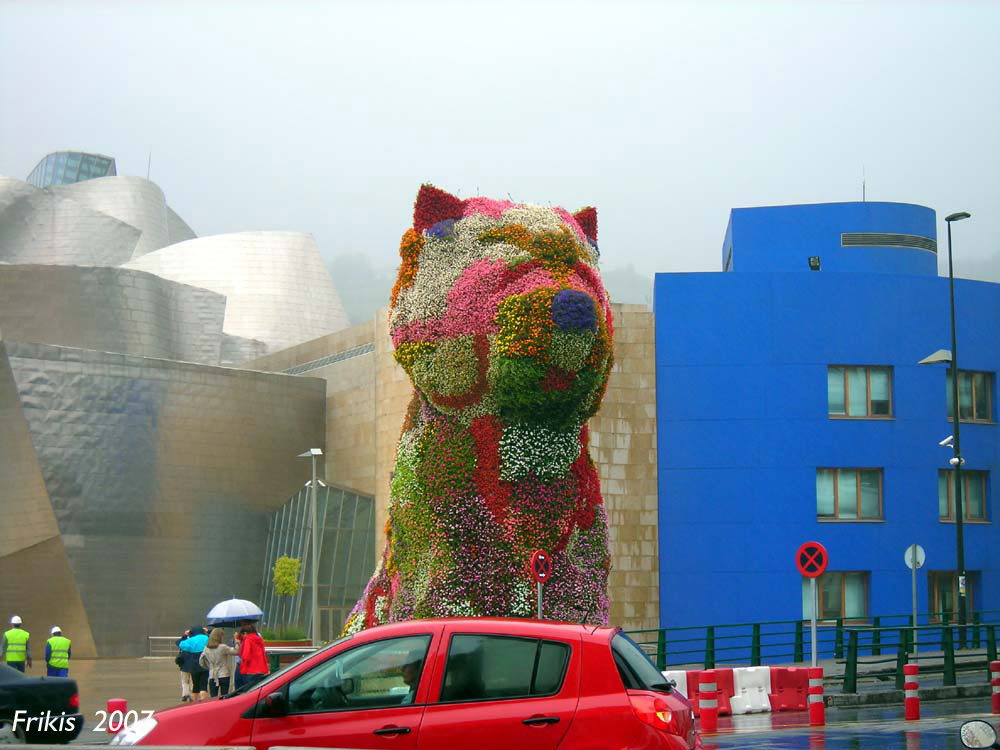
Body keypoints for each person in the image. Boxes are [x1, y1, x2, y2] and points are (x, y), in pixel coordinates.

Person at [199, 628, 238, 698]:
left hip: (212, 675)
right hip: (224, 674)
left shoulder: (206, 648)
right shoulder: (223, 647)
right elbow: (236, 652)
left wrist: (209, 667)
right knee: (225, 696)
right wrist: (236, 641)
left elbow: (201, 661)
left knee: (213, 697)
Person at [177, 626, 210, 702]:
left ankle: (194, 703)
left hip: (194, 666)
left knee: (195, 684)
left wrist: (185, 635)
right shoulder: (207, 638)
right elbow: (216, 640)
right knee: (203, 684)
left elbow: (180, 644)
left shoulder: (190, 640)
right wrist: (208, 632)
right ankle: (203, 701)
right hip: (205, 664)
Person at [234, 623, 268, 690]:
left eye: (243, 635)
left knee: (246, 691)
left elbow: (245, 656)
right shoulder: (260, 639)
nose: (243, 637)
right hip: (260, 670)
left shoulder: (248, 640)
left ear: (245, 633)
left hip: (250, 670)